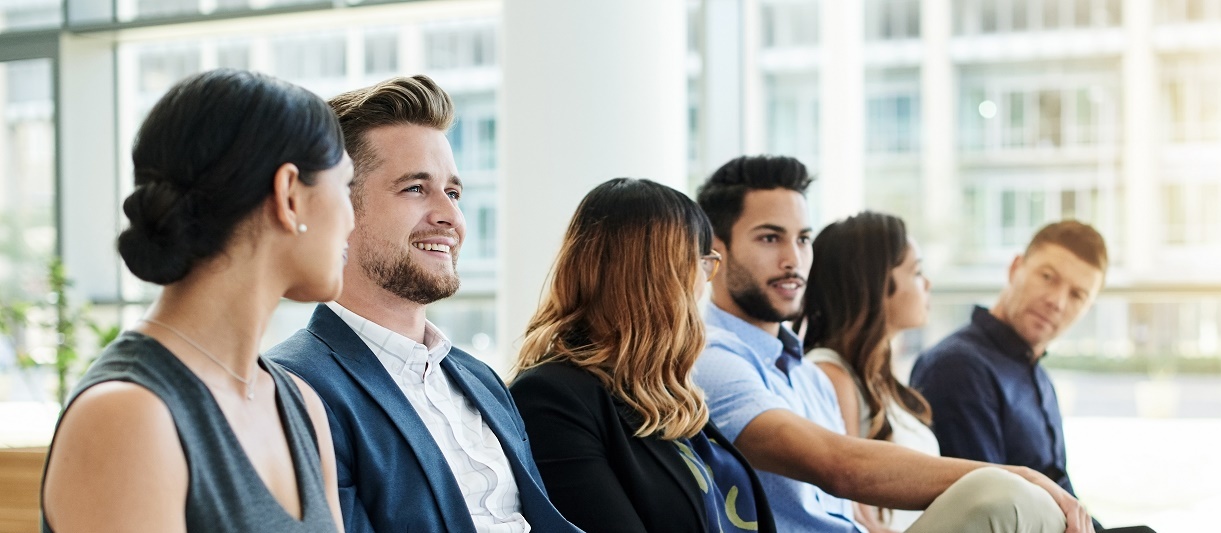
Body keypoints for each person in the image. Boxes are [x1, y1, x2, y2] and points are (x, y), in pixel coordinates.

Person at [691, 155, 1090, 533]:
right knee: (1002, 496)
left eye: (803, 239)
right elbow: (839, 466)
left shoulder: (810, 378)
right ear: (716, 251)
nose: (793, 259)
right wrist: (1013, 474)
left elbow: (854, 513)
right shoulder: (709, 357)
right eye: (770, 238)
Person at [266, 75, 579, 533]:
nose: (450, 216)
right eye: (415, 188)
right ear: (340, 208)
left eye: (453, 193)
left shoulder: (481, 380)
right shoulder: (297, 387)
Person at [41, 69, 350, 532]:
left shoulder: (301, 406)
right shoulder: (127, 417)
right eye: (345, 187)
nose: (351, 220)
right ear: (289, 195)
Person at [510, 178, 776, 533]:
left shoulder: (665, 393)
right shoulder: (551, 398)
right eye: (703, 262)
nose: (704, 282)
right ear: (663, 276)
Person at [912, 221, 1142, 531]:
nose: (1057, 302)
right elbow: (984, 509)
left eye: (1077, 295)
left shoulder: (1040, 379)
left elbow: (1063, 495)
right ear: (1016, 268)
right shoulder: (958, 368)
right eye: (1048, 278)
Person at [802, 211, 936, 532]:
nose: (928, 284)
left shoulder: (878, 378)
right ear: (876, 284)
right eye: (917, 272)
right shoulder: (832, 375)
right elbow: (851, 511)